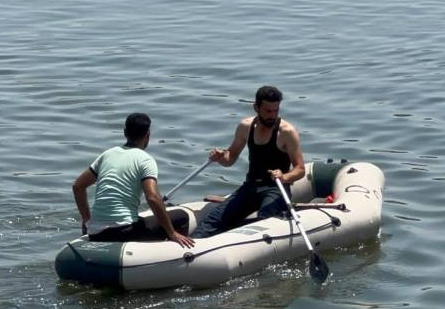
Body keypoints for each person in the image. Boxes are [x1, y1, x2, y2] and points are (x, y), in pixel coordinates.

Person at [191, 86, 305, 238]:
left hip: (275, 188)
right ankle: (193, 247)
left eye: (276, 111)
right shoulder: (245, 127)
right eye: (268, 111)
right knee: (213, 220)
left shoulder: (287, 132)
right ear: (256, 107)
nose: (272, 115)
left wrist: (284, 177)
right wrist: (220, 157)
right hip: (250, 186)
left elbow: (300, 169)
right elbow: (230, 158)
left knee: (265, 222)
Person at [72, 113, 195, 248]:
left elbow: (78, 186)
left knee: (142, 221)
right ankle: (173, 257)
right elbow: (153, 197)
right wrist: (172, 233)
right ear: (148, 135)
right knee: (181, 216)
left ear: (125, 132)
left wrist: (86, 219)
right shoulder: (145, 160)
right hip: (124, 232)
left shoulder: (107, 154)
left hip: (95, 232)